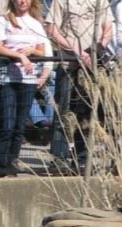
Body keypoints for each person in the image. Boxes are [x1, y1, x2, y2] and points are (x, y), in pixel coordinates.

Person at [45, 0, 112, 170]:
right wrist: (77, 51)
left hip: (91, 66)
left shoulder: (101, 2)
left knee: (86, 114)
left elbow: (108, 29)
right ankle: (59, 159)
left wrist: (97, 49)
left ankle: (81, 159)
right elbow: (52, 30)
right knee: (63, 112)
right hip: (68, 64)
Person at [0, 0, 47, 171]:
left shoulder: (35, 23)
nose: (23, 1)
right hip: (7, 78)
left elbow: (42, 51)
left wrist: (32, 52)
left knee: (20, 125)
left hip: (28, 79)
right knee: (7, 123)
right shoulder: (3, 20)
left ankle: (11, 161)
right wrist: (19, 56)